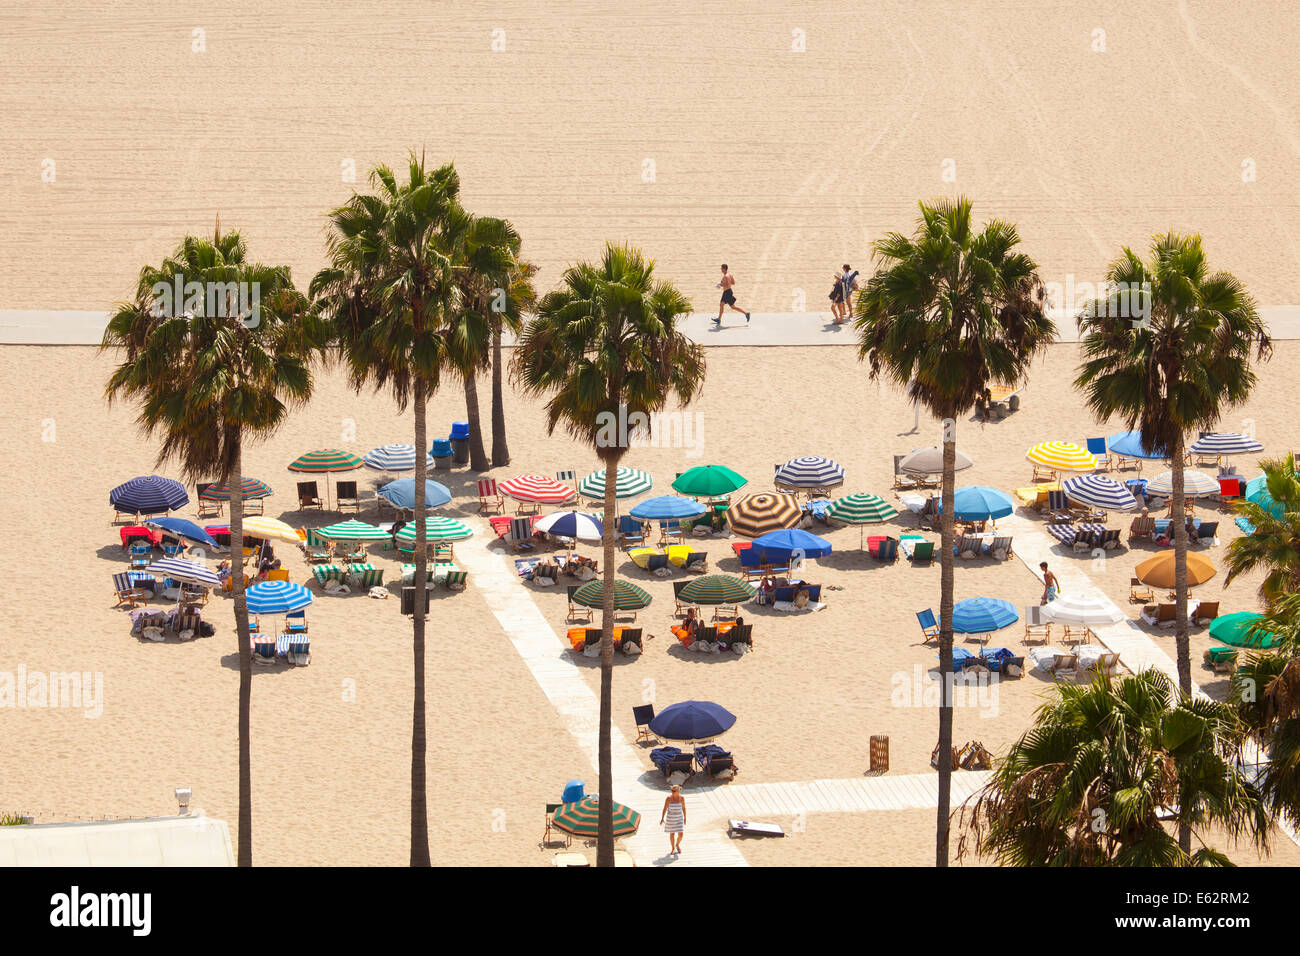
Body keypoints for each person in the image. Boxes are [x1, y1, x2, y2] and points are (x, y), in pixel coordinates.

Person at [661, 784, 686, 854]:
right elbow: (665, 808)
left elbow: (684, 808)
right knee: (672, 834)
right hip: (671, 818)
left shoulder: (682, 798)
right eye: (672, 790)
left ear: (678, 791)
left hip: (679, 818)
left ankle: (677, 844)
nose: (672, 792)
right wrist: (662, 818)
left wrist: (685, 817)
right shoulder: (668, 798)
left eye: (674, 791)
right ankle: (672, 848)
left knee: (681, 834)